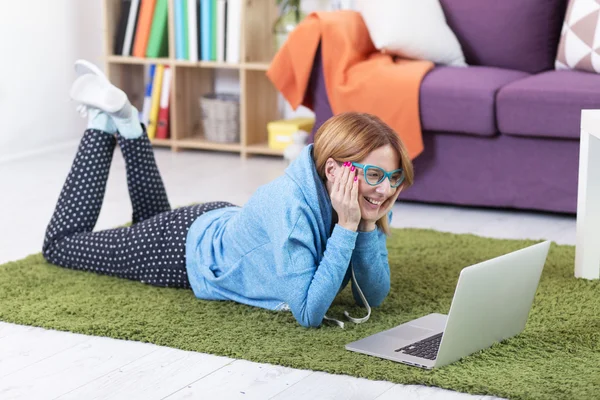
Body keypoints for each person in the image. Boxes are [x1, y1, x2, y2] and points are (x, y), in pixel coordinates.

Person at [42, 60, 414, 328]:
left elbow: (374, 295)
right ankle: (99, 126)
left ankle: (127, 123)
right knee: (60, 246)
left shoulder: (368, 197)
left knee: (147, 221)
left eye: (394, 176)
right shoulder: (289, 207)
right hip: (181, 251)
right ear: (334, 169)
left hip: (217, 223)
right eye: (376, 175)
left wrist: (365, 226)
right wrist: (347, 228)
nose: (386, 189)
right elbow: (309, 312)